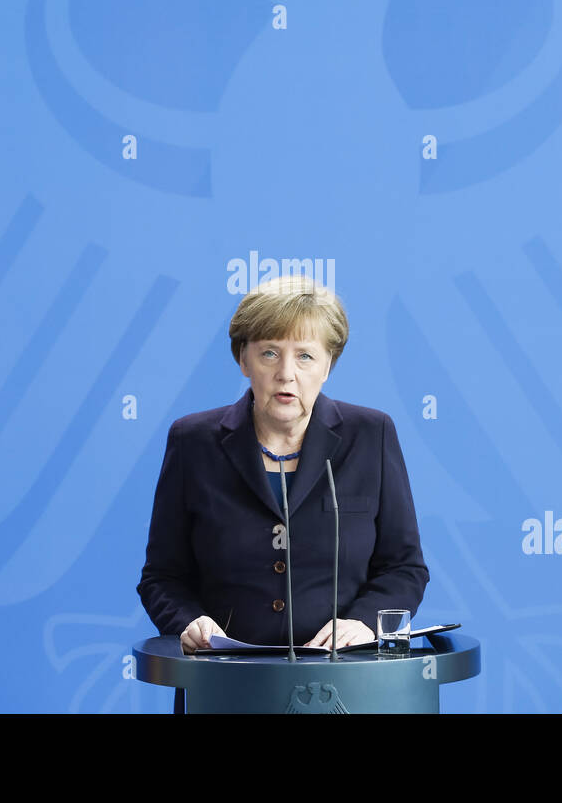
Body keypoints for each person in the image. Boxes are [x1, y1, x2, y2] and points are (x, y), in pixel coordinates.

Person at [136, 274, 430, 711]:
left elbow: (404, 568)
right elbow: (162, 576)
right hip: (226, 684)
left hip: (346, 684)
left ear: (328, 365)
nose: (286, 374)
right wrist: (188, 622)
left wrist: (363, 624)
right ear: (243, 360)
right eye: (269, 353)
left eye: (306, 356)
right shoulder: (192, 441)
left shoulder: (373, 435)